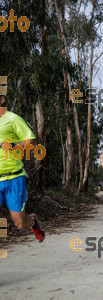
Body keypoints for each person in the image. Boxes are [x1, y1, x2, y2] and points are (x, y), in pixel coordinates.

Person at [0, 95, 45, 242]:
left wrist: (13, 146)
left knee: (20, 223)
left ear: (1, 99)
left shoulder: (12, 118)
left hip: (14, 177)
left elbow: (31, 141)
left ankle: (34, 222)